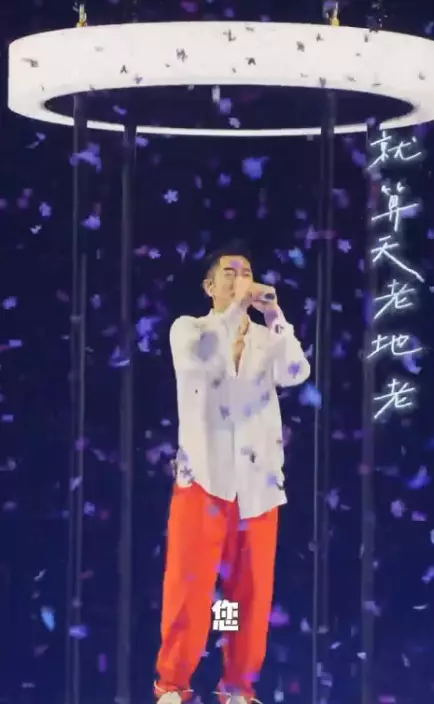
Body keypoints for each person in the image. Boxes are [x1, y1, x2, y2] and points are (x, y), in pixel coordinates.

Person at [154, 241, 310, 704]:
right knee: (191, 589)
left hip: (257, 490)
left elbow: (296, 371)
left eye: (246, 272)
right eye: (230, 272)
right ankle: (173, 683)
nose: (240, 278)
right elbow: (205, 356)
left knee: (241, 598)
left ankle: (235, 685)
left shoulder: (266, 338)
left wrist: (275, 315)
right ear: (210, 286)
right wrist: (237, 308)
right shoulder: (190, 329)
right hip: (205, 482)